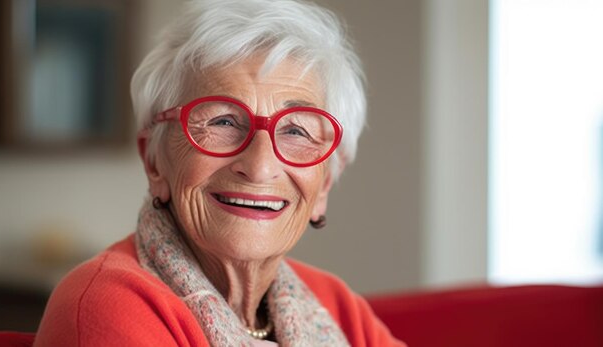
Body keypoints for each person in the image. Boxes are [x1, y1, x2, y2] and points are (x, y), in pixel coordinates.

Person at [34, 0, 406, 346]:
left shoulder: (336, 306)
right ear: (154, 162)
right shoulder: (108, 303)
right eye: (223, 121)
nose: (260, 167)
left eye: (296, 131)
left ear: (324, 183)